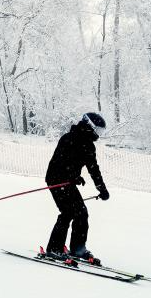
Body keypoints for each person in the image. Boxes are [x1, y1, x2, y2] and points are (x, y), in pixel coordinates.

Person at [44, 112, 109, 264]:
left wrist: (102, 189)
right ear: (89, 126)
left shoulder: (88, 145)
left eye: (101, 132)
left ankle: (77, 248)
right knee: (67, 212)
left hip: (69, 181)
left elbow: (93, 169)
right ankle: (54, 249)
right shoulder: (68, 139)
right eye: (98, 131)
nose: (98, 135)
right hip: (56, 180)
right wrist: (71, 176)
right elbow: (59, 162)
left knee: (81, 212)